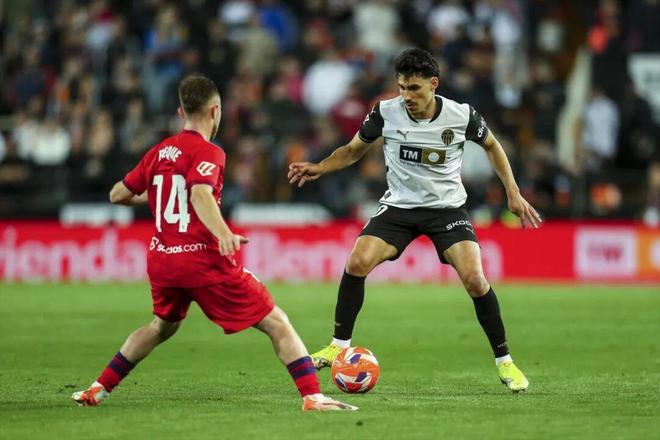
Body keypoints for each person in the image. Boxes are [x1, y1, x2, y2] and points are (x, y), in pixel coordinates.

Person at [72, 75, 357, 411]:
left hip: (162, 260)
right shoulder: (210, 152)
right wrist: (223, 233)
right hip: (201, 260)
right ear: (215, 111)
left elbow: (117, 194)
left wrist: (162, 195)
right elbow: (200, 193)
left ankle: (98, 388)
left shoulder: (159, 151)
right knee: (276, 322)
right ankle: (313, 397)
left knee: (161, 327)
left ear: (181, 111)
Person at [288, 48, 542, 392]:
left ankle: (505, 362)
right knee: (357, 261)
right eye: (402, 87)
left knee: (475, 279)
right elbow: (352, 151)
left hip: (447, 209)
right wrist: (320, 166)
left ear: (433, 84)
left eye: (414, 88)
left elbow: (493, 146)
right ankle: (338, 346)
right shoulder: (385, 112)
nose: (406, 96)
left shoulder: (461, 115)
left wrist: (513, 192)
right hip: (400, 208)